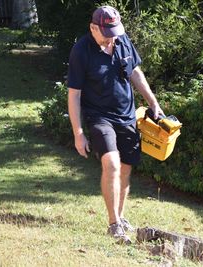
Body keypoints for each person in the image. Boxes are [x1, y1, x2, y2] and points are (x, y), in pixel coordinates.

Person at [67, 5, 163, 244]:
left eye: (115, 32)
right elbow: (74, 95)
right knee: (111, 163)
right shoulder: (81, 51)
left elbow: (135, 73)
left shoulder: (120, 40)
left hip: (127, 115)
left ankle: (120, 217)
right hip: (99, 116)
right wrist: (78, 133)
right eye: (107, 32)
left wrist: (153, 103)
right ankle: (113, 224)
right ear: (93, 28)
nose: (112, 38)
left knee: (126, 167)